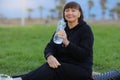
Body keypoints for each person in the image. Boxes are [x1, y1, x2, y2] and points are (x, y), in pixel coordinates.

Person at [0, 1, 94, 80]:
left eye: (73, 11)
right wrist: (49, 56)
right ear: (64, 13)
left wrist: (66, 42)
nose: (69, 13)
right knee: (48, 68)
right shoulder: (62, 28)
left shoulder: (85, 30)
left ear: (79, 14)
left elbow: (83, 54)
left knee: (51, 69)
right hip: (62, 65)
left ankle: (16, 79)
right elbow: (50, 46)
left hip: (80, 68)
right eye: (67, 10)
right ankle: (13, 78)